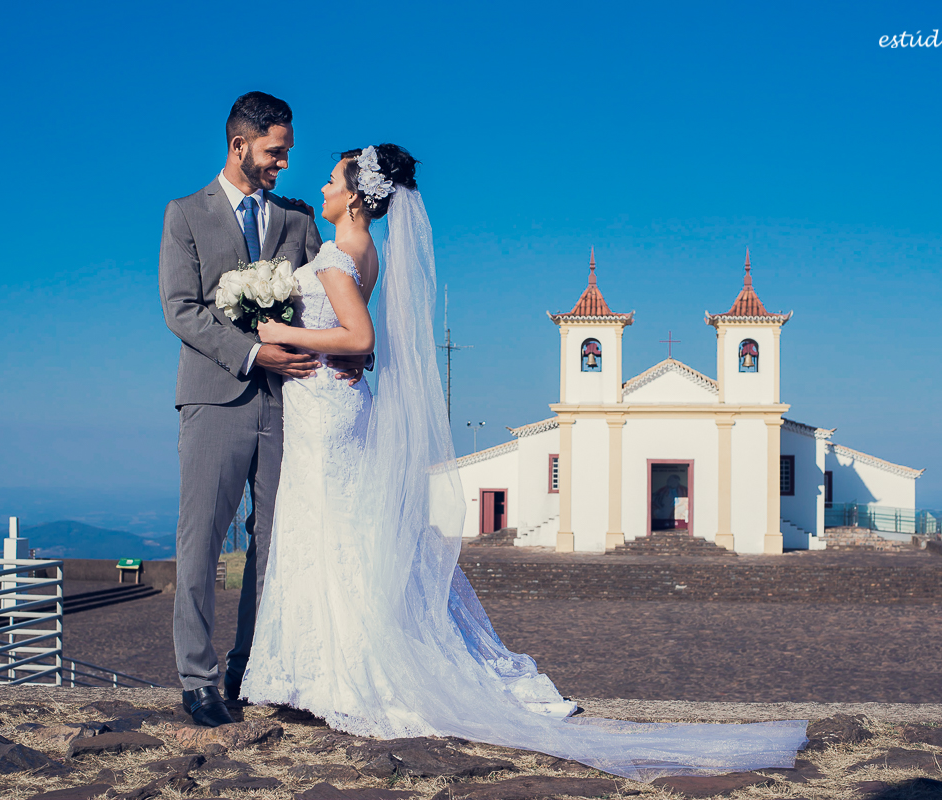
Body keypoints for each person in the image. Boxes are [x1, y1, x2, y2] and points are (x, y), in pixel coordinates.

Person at [240, 145, 808, 779]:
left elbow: (361, 338)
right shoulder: (366, 254)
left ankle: (335, 674)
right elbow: (361, 341)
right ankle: (334, 664)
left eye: (329, 177)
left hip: (325, 407)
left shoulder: (338, 257)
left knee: (329, 527)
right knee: (345, 530)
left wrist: (276, 333)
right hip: (339, 403)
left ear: (353, 194)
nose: (319, 184)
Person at [158, 91, 365, 727]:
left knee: (274, 539)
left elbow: (327, 299)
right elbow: (182, 309)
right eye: (275, 152)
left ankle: (251, 665)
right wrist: (254, 354)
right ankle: (197, 679)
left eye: (288, 154)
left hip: (291, 403)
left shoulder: (300, 221)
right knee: (201, 539)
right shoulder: (185, 215)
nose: (282, 164)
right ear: (240, 144)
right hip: (217, 395)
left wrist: (352, 353)